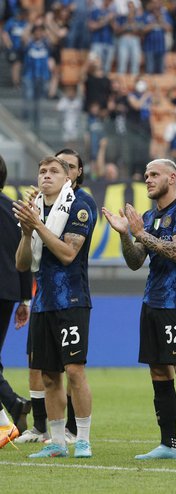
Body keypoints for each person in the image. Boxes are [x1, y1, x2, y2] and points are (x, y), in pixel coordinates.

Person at [102, 159, 176, 462]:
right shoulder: (148, 216)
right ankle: (168, 443)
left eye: (154, 174)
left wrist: (140, 232)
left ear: (171, 178)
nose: (147, 179)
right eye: (146, 174)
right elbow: (136, 261)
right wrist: (125, 233)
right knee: (158, 371)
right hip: (152, 302)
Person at [15, 148, 98, 445]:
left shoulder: (80, 205)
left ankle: (83, 439)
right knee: (48, 375)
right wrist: (27, 233)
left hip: (71, 300)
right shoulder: (37, 207)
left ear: (71, 178)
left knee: (74, 371)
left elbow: (67, 254)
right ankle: (57, 441)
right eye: (43, 172)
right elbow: (22, 264)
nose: (46, 176)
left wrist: (36, 225)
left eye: (54, 171)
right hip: (43, 302)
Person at [0, 154, 32, 448]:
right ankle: (14, 405)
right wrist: (24, 298)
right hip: (8, 291)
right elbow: (24, 255)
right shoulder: (15, 211)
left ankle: (10, 410)